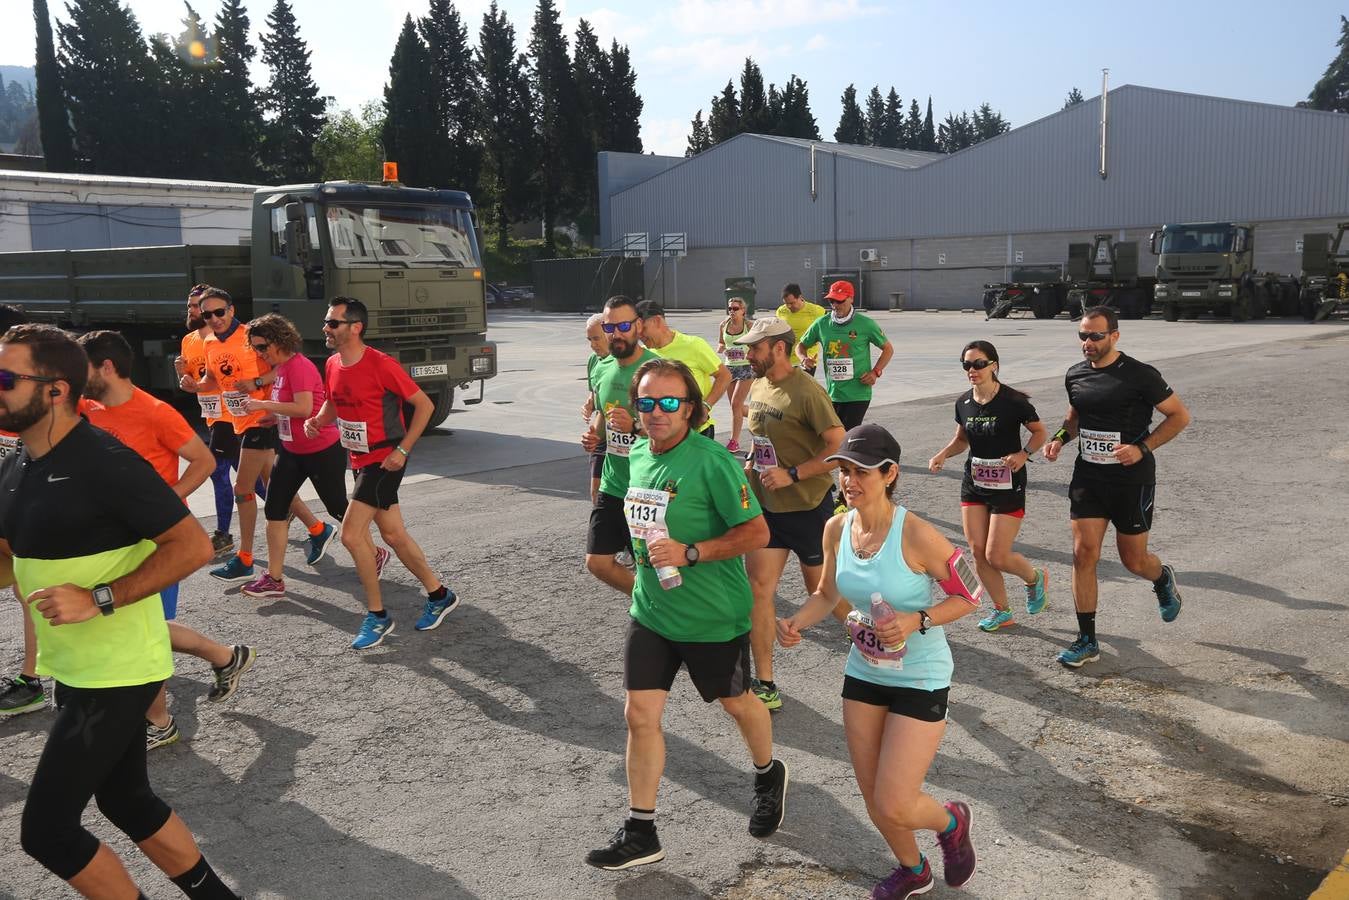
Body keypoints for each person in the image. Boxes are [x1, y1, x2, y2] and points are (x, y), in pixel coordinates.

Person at [0, 324, 242, 899]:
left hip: (120, 670)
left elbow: (193, 546)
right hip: (77, 667)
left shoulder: (106, 461)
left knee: (49, 833)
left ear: (55, 389)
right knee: (126, 798)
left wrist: (98, 598)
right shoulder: (15, 466)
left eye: (6, 378)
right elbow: (9, 563)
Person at [585, 358, 786, 871]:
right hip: (652, 612)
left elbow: (756, 534)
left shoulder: (712, 460)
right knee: (639, 715)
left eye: (669, 402)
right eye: (647, 402)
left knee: (737, 703)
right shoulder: (636, 458)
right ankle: (641, 831)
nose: (656, 412)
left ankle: (767, 773)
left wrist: (691, 551)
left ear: (691, 408)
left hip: (712, 616)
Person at [776, 423, 979, 898]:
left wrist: (916, 620)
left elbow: (970, 595)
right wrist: (796, 622)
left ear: (889, 473)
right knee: (873, 796)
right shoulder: (836, 527)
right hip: (864, 672)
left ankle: (951, 821)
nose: (848, 481)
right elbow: (826, 592)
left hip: (920, 677)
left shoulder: (917, 534)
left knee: (895, 801)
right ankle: (914, 870)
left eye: (860, 471)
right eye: (843, 470)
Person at [79, 330, 257, 750]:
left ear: (107, 367)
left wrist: (164, 501)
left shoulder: (155, 412)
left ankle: (158, 722)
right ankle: (226, 657)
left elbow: (204, 461)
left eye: (82, 368)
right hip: (111, 538)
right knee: (137, 625)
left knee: (143, 631)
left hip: (159, 539)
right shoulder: (86, 409)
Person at [303, 297, 457, 649]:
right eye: (327, 322)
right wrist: (317, 421)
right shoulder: (332, 364)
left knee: (352, 535)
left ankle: (377, 615)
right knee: (394, 535)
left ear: (355, 328)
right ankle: (439, 594)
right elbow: (333, 401)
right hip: (358, 460)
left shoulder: (381, 364)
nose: (326, 328)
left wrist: (403, 451)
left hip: (384, 460)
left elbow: (425, 405)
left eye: (333, 323)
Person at [1042, 306, 1191, 668]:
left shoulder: (1140, 375)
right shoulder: (1075, 374)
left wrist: (1142, 448)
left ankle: (1161, 578)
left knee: (1134, 560)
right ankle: (1086, 639)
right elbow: (1075, 415)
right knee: (1083, 553)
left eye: (1095, 336)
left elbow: (1179, 416)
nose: (1088, 343)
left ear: (1115, 336)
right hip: (1089, 477)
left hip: (1130, 480)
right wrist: (1061, 438)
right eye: (1083, 336)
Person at [735, 317, 846, 711]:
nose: (748, 354)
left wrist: (794, 473)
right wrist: (752, 463)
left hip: (809, 508)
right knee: (758, 591)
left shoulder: (808, 391)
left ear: (778, 348)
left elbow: (838, 447)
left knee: (827, 595)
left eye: (754, 348)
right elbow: (762, 437)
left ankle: (874, 639)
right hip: (769, 509)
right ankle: (765, 681)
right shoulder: (761, 383)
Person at [196, 288, 323, 584]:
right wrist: (193, 384)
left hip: (263, 419)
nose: (213, 319)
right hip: (238, 420)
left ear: (230, 309)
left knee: (243, 489)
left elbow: (282, 367)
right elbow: (213, 379)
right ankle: (319, 529)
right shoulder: (209, 343)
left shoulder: (252, 335)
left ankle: (245, 558)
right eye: (207, 314)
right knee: (274, 485)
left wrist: (256, 382)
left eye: (219, 312)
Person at [928, 341, 1049, 632]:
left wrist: (1024, 454)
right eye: (967, 365)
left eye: (979, 364)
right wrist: (943, 454)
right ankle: (1002, 610)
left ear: (994, 365)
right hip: (975, 482)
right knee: (978, 551)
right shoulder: (963, 403)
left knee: (997, 555)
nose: (972, 370)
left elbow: (1039, 432)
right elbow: (962, 439)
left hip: (1008, 484)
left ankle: (1034, 578)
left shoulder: (1013, 401)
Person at [238, 314, 345, 600]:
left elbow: (303, 408)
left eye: (262, 347)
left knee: (340, 510)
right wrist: (273, 417)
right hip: (290, 451)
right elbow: (290, 408)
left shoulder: (298, 366)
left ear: (279, 340)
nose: (260, 353)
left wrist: (262, 404)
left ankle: (373, 554)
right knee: (274, 511)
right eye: (256, 348)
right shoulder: (282, 367)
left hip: (320, 449)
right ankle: (274, 579)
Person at [582, 296, 659, 597]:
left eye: (624, 325)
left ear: (638, 326)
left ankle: (661, 610)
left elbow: (683, 425)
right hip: (614, 483)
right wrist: (595, 435)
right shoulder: (602, 368)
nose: (617, 333)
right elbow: (603, 410)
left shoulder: (657, 369)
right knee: (597, 562)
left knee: (657, 566)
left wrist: (637, 427)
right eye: (610, 327)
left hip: (649, 486)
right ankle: (647, 601)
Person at [0, 303, 44, 718]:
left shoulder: (35, 384)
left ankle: (32, 681)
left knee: (32, 592)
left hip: (28, 509)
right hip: (6, 503)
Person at [175, 284, 237, 560]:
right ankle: (293, 512)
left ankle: (223, 535)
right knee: (250, 480)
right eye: (189, 306)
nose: (193, 311)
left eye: (196, 306)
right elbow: (194, 384)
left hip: (233, 417)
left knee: (218, 471)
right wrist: (183, 377)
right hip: (213, 417)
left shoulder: (222, 337)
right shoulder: (188, 341)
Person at [798, 280, 895, 431]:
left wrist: (875, 372)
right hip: (833, 394)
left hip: (858, 393)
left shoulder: (866, 324)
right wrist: (804, 358)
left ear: (851, 299)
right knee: (832, 438)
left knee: (846, 437)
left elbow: (888, 349)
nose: (835, 305)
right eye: (831, 301)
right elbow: (801, 346)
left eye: (839, 301)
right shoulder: (821, 324)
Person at [635, 300, 730, 441]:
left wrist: (706, 406)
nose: (639, 335)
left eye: (642, 328)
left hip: (696, 432)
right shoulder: (643, 354)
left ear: (657, 321)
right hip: (662, 434)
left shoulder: (693, 345)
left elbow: (724, 376)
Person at [716, 296, 754, 452]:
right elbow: (721, 343)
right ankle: (759, 415)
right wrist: (721, 348)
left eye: (735, 308)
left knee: (736, 404)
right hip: (729, 368)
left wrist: (749, 353)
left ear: (743, 310)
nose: (732, 311)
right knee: (735, 407)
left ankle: (734, 441)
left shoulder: (750, 326)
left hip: (746, 367)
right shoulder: (723, 325)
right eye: (730, 308)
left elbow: (757, 344)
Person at [581, 312, 610, 504]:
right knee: (596, 492)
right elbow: (594, 391)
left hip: (630, 436)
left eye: (597, 338)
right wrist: (589, 403)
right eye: (590, 339)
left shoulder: (627, 362)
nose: (593, 344)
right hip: (601, 433)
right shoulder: (593, 360)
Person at [775, 283, 826, 372]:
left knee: (802, 386)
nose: (789, 306)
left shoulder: (817, 311)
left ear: (800, 297)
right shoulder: (781, 311)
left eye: (792, 303)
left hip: (807, 360)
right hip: (785, 360)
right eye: (786, 303)